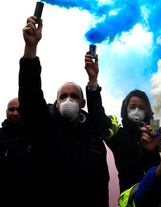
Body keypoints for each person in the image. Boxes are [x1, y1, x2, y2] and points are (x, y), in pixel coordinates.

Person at [19, 16, 110, 206]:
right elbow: (30, 95)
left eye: (74, 96)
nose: (68, 100)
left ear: (83, 102)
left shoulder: (92, 131)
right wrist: (31, 49)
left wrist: (92, 80)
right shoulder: (45, 127)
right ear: (56, 103)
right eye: (63, 96)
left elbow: (101, 121)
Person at [105, 90, 161, 193]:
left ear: (147, 111)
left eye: (141, 108)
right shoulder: (119, 135)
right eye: (132, 107)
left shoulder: (154, 134)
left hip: (154, 195)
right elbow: (98, 119)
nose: (137, 110)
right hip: (129, 197)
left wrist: (153, 150)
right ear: (125, 110)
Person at [0, 98, 34, 207]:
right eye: (11, 109)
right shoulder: (0, 136)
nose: (15, 113)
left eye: (19, 110)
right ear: (6, 112)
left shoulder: (36, 137)